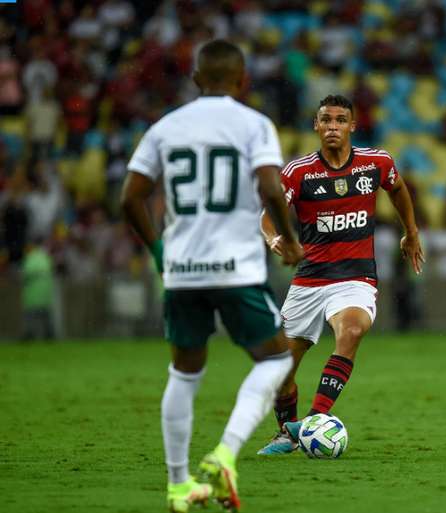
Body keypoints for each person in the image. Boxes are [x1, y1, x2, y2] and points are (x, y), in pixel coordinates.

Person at [120, 40, 303, 513]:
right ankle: (225, 454)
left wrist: (161, 252)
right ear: (243, 81)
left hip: (182, 271)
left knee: (183, 372)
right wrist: (292, 241)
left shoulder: (166, 127)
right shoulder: (254, 124)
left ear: (197, 78)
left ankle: (178, 485)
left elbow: (130, 198)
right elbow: (269, 186)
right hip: (235, 269)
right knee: (275, 361)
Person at [257, 94, 424, 454]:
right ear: (316, 126)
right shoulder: (298, 172)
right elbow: (267, 216)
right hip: (309, 279)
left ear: (351, 125)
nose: (332, 126)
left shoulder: (375, 163)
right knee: (280, 370)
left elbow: (397, 188)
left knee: (351, 329)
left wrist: (411, 231)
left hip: (355, 276)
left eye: (340, 120)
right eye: (326, 120)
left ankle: (314, 420)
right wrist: (273, 239)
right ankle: (286, 433)